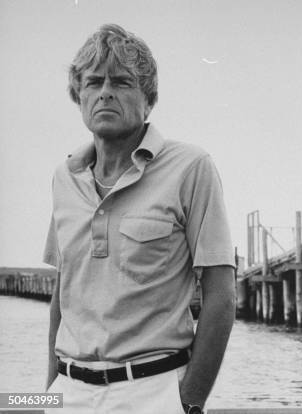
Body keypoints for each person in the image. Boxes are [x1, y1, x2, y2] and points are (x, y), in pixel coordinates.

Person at [43, 23, 235, 414]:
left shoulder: (190, 167)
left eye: (122, 82)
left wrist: (189, 401)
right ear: (77, 97)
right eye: (93, 82)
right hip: (69, 393)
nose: (105, 92)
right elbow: (63, 297)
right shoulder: (65, 178)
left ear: (149, 99)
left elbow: (222, 295)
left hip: (150, 390)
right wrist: (49, 393)